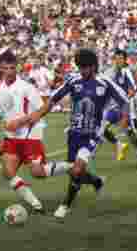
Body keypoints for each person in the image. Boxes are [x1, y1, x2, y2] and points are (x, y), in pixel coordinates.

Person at [23, 48, 131, 219]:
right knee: (75, 171)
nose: (82, 71)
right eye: (80, 67)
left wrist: (125, 118)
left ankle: (65, 205)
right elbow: (53, 99)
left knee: (77, 169)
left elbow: (124, 100)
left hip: (93, 134)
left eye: (85, 67)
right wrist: (37, 114)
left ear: (93, 66)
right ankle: (96, 181)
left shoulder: (105, 83)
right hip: (74, 134)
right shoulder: (74, 81)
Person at [0, 50, 71, 214]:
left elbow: (42, 109)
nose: (9, 72)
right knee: (8, 172)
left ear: (16, 68)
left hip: (30, 135)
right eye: (5, 68)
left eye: (11, 68)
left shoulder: (26, 88)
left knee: (38, 172)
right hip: (11, 138)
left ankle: (70, 166)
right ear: (0, 68)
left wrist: (19, 122)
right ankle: (36, 205)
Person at [102, 49, 137, 170]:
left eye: (121, 58)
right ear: (113, 60)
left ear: (124, 60)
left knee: (131, 136)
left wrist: (125, 109)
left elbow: (132, 90)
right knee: (101, 129)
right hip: (111, 109)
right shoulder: (108, 72)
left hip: (123, 109)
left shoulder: (126, 72)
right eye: (116, 58)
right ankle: (119, 145)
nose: (118, 60)